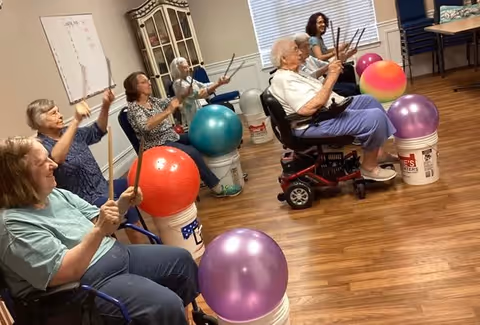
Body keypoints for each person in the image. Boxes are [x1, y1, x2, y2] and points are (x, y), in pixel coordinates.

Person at [0, 136, 200, 324]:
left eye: (49, 158)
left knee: (181, 261)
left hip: (114, 254)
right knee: (164, 305)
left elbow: (101, 222)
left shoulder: (56, 194)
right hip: (79, 289)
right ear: (19, 178)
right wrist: (99, 231)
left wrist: (122, 205)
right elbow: (66, 271)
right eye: (42, 162)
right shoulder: (13, 226)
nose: (53, 165)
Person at [268, 37, 398, 182]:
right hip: (315, 122)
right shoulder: (285, 80)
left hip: (328, 111)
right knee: (375, 117)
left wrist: (331, 72)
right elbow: (308, 109)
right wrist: (332, 76)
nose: (300, 52)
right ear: (284, 59)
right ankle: (369, 167)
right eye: (295, 49)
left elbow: (319, 89)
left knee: (369, 100)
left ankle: (377, 153)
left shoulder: (296, 73)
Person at [26, 91, 146, 244]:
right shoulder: (39, 145)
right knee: (125, 207)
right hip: (84, 200)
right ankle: (135, 250)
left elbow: (98, 131)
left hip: (103, 186)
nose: (60, 115)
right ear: (39, 121)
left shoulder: (69, 132)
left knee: (132, 188)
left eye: (58, 111)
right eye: (53, 113)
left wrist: (105, 105)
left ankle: (146, 241)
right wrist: (76, 119)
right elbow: (57, 157)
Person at [124, 71, 242, 198]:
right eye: (144, 82)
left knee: (199, 139)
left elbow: (172, 101)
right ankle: (217, 188)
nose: (149, 83)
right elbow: (146, 126)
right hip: (157, 145)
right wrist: (169, 110)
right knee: (192, 152)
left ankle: (205, 175)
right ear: (135, 88)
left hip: (171, 136)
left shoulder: (152, 100)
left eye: (148, 80)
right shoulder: (134, 108)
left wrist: (183, 95)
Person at [294, 32, 360, 97]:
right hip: (322, 89)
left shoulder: (310, 58)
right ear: (297, 49)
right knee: (352, 90)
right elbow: (311, 76)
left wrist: (346, 55)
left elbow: (327, 65)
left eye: (309, 45)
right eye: (305, 46)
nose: (309, 48)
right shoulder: (297, 66)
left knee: (355, 87)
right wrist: (334, 61)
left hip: (327, 83)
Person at [170, 57, 231, 126]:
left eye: (188, 67)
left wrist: (219, 81)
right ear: (177, 70)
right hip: (191, 117)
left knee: (228, 106)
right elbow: (199, 94)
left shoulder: (188, 78)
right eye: (185, 68)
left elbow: (203, 86)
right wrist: (219, 83)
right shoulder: (178, 83)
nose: (188, 69)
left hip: (199, 111)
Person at [305, 12, 357, 84]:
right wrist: (334, 52)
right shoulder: (313, 39)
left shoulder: (319, 38)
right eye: (320, 22)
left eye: (323, 22)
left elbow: (325, 51)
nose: (323, 24)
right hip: (323, 71)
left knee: (348, 67)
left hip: (327, 67)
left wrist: (339, 48)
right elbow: (320, 57)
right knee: (348, 70)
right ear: (313, 25)